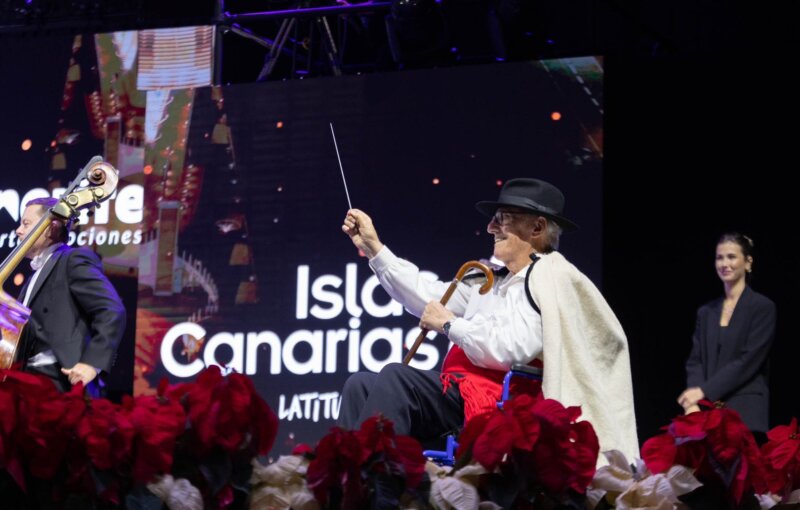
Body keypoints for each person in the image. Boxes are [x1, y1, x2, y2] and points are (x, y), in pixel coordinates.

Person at [338, 178, 639, 461]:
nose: (490, 226)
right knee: (359, 384)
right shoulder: (489, 282)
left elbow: (513, 350)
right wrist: (373, 247)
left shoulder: (550, 279)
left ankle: (377, 483)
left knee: (397, 377)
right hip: (459, 396)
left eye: (503, 217)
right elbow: (425, 296)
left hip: (497, 408)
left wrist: (449, 324)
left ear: (537, 227)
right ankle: (349, 485)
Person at [14, 197, 126, 393]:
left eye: (26, 224)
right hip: (28, 383)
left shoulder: (72, 260)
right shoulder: (32, 279)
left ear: (50, 228)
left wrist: (92, 363)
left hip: (60, 382)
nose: (18, 230)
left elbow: (111, 310)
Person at [678, 233, 776, 436]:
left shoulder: (762, 307)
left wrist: (703, 392)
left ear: (748, 262)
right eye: (719, 257)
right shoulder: (706, 312)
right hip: (708, 412)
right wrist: (693, 402)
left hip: (745, 412)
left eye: (731, 257)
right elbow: (695, 361)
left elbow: (748, 361)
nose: (724, 263)